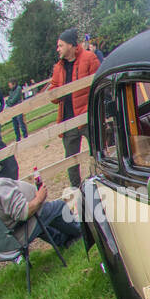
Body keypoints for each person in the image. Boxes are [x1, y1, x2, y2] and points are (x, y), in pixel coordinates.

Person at [0, 143, 81, 249]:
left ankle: (63, 239)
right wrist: (39, 198)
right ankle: (81, 231)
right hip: (17, 234)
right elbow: (23, 213)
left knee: (39, 214)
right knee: (56, 207)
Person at [49, 27, 100, 190]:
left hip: (86, 116)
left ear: (71, 45)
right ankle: (76, 189)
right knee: (71, 159)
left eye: (60, 45)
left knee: (98, 149)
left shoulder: (89, 58)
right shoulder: (58, 67)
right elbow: (54, 89)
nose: (58, 49)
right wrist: (55, 93)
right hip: (68, 120)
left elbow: (99, 83)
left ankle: (101, 179)